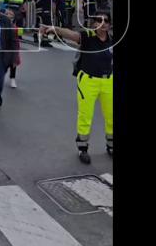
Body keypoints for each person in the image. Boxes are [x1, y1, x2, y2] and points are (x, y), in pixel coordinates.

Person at [41, 11, 114, 164]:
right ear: (94, 23)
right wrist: (55, 28)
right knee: (85, 116)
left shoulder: (112, 40)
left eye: (105, 20)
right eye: (97, 20)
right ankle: (83, 148)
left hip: (108, 81)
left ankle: (111, 145)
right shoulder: (87, 36)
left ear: (109, 24)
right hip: (88, 80)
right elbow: (71, 34)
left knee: (111, 116)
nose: (101, 23)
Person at [3, 7, 23, 88]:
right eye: (7, 14)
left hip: (13, 47)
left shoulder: (16, 25)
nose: (9, 15)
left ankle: (12, 79)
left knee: (13, 63)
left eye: (11, 14)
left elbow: (20, 35)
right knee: (4, 64)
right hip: (4, 47)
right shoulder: (2, 24)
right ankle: (0, 78)